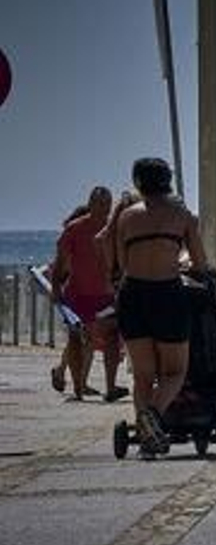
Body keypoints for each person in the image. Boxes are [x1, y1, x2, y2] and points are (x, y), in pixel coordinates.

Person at [103, 158, 207, 454]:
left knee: (143, 374)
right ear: (168, 180)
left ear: (139, 182)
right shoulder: (181, 214)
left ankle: (147, 434)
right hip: (167, 294)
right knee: (175, 371)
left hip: (132, 294)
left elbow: (121, 263)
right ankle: (153, 415)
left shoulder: (126, 217)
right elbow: (200, 262)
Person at [50, 188, 125, 401]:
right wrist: (56, 289)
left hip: (106, 296)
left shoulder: (115, 228)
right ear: (90, 204)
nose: (104, 208)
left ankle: (111, 387)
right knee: (76, 339)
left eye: (108, 203)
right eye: (100, 203)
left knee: (112, 337)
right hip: (76, 295)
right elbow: (60, 262)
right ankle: (78, 388)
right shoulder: (74, 229)